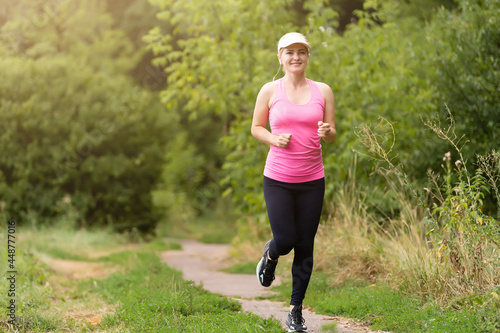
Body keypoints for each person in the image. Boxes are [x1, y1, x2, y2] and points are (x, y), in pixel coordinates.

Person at [251, 32, 336, 333]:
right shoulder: (270, 91)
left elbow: (332, 130)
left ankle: (295, 312)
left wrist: (328, 132)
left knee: (305, 245)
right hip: (278, 178)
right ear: (280, 57)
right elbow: (256, 127)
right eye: (290, 52)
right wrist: (274, 138)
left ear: (308, 56)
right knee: (285, 239)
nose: (296, 57)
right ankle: (271, 255)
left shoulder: (323, 91)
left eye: (301, 52)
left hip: (313, 179)